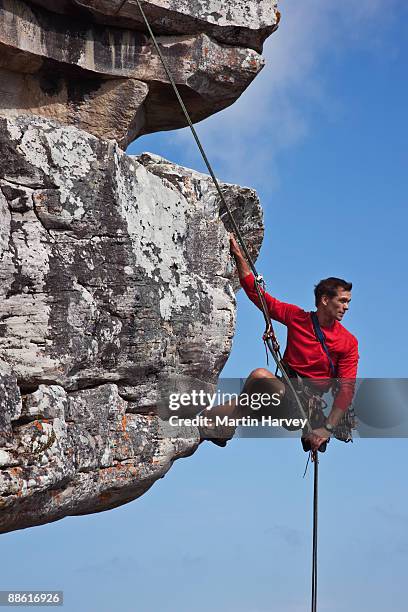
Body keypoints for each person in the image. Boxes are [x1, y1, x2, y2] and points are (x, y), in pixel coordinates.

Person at [200, 234, 359, 451]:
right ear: (324, 300)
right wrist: (239, 256)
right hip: (281, 391)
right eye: (342, 301)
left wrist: (327, 428)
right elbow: (261, 298)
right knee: (207, 417)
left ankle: (228, 427)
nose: (346, 307)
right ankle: (207, 430)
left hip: (303, 405)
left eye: (348, 302)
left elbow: (346, 390)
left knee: (259, 377)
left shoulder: (348, 342)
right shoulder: (298, 317)